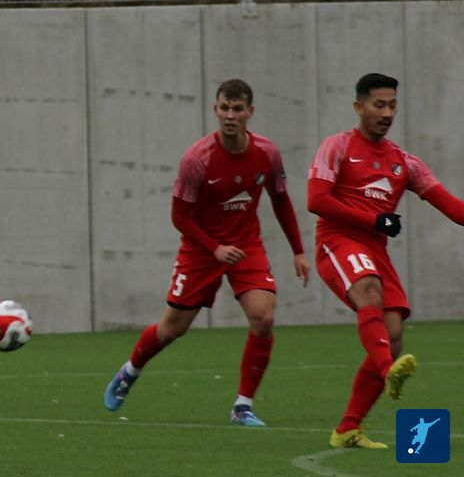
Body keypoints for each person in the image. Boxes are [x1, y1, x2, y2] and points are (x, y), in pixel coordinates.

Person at [103, 79, 310, 426]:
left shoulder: (267, 153)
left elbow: (280, 199)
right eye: (224, 108)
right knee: (171, 329)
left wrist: (298, 251)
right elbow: (179, 217)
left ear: (250, 112)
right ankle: (130, 370)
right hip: (201, 250)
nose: (230, 115)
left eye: (237, 109)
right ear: (215, 110)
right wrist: (214, 248)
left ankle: (242, 406)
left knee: (264, 318)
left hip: (245, 246)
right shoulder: (196, 160)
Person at [308, 73, 464, 449]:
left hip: (375, 252)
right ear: (358, 106)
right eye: (379, 105)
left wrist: (378, 225)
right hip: (338, 242)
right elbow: (317, 200)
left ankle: (347, 428)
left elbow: (453, 208)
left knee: (392, 337)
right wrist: (374, 220)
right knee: (369, 290)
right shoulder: (337, 147)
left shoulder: (404, 162)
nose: (387, 113)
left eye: (392, 105)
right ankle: (386, 370)